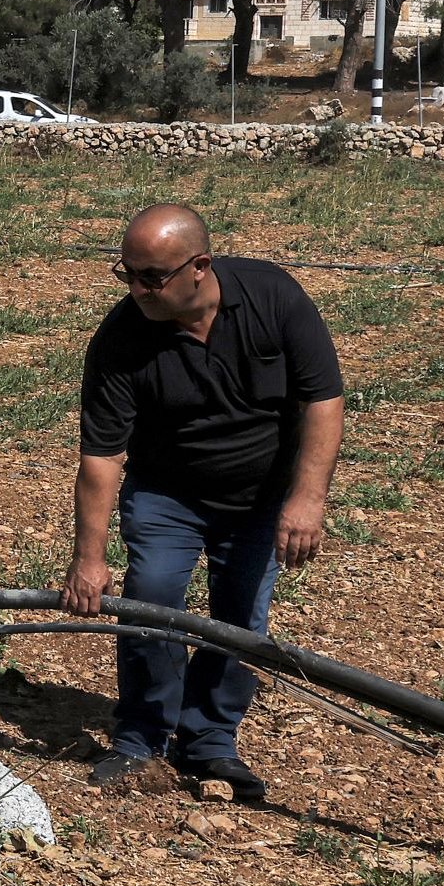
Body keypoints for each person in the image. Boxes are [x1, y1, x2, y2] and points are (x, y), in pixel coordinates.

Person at [60, 204, 344, 802]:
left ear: (199, 268)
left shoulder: (273, 297)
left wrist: (307, 498)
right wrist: (89, 557)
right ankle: (140, 740)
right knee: (152, 601)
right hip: (168, 495)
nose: (137, 290)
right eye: (127, 274)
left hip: (259, 498)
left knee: (239, 621)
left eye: (151, 277)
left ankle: (210, 741)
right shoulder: (122, 339)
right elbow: (103, 456)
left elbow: (322, 400)